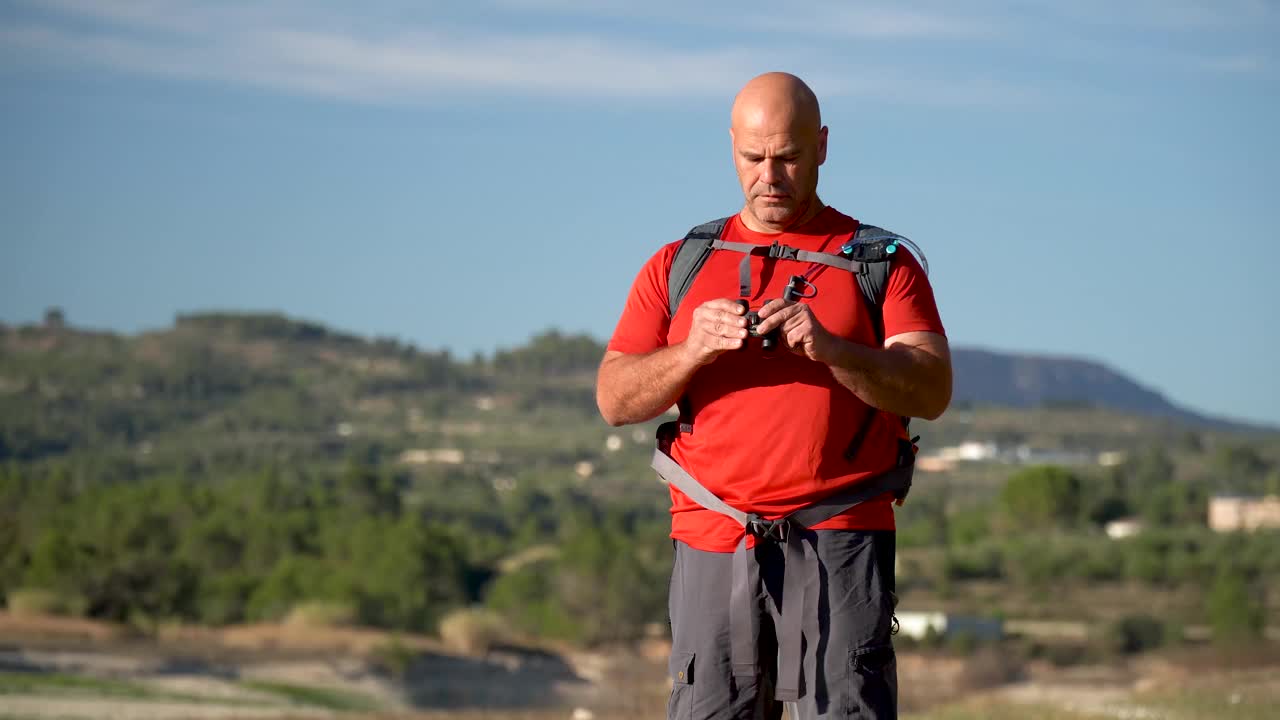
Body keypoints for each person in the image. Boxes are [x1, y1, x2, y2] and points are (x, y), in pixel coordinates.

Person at [596, 72, 951, 720]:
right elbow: (615, 399)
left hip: (840, 539)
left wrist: (835, 351)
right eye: (753, 158)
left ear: (821, 146)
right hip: (713, 537)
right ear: (731, 147)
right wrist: (692, 350)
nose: (770, 176)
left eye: (787, 157)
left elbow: (931, 389)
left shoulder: (881, 262)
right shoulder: (680, 263)